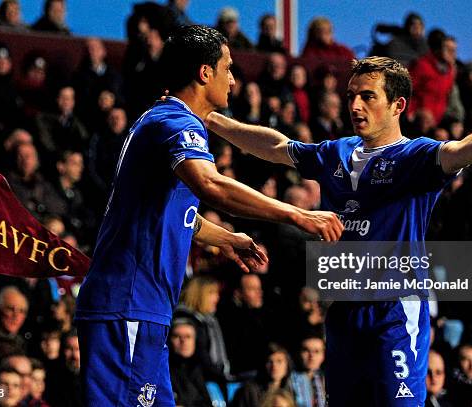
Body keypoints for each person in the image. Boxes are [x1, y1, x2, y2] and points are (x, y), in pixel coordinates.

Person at [206, 56, 472, 406]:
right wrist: (211, 119)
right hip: (344, 312)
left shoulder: (415, 156)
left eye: (368, 96)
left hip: (395, 312)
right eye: (350, 96)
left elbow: (459, 152)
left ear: (397, 105)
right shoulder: (336, 152)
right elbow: (277, 147)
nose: (355, 105)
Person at [75, 25, 342, 407]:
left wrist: (226, 238)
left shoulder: (164, 121)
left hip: (143, 309)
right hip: (128, 306)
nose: (232, 78)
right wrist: (298, 214)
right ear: (205, 72)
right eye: (228, 67)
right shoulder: (174, 123)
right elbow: (211, 187)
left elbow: (176, 213)